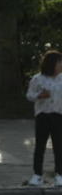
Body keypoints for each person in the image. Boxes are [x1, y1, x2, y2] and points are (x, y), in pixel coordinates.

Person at [25, 50, 62, 187]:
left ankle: (59, 175)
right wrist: (40, 95)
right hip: (43, 116)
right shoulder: (38, 79)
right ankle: (37, 175)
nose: (61, 65)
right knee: (40, 146)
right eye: (59, 62)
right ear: (52, 63)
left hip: (58, 115)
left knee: (59, 146)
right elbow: (29, 95)